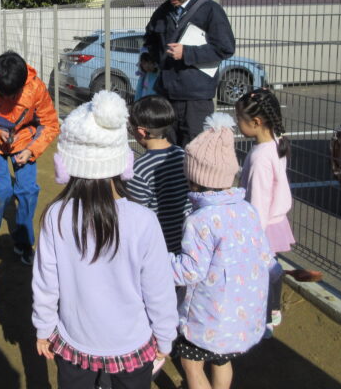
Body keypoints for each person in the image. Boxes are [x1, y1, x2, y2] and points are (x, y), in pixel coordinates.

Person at [33, 91, 178, 389]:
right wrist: (165, 336)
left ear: (67, 163)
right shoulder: (143, 220)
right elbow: (159, 289)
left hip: (76, 339)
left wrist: (44, 327)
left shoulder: (56, 215)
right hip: (131, 343)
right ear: (123, 161)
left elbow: (46, 281)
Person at [170, 112, 271, 389]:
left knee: (191, 364)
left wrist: (160, 262)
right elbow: (266, 257)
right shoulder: (247, 210)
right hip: (239, 314)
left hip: (206, 316)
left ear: (194, 177)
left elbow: (190, 271)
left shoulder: (200, 219)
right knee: (221, 360)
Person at [0, 51, 59, 265]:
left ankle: (23, 242)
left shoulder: (36, 88)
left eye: (14, 96)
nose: (9, 101)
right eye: (3, 96)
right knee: (1, 190)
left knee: (28, 191)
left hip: (24, 142)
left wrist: (32, 149)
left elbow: (50, 124)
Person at [143, 0, 235, 147]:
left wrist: (187, 52)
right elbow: (150, 39)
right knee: (167, 150)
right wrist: (148, 58)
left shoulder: (210, 10)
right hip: (166, 94)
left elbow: (225, 48)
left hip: (196, 98)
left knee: (195, 150)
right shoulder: (162, 11)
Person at [235, 87, 295, 337]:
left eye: (240, 119)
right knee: (273, 268)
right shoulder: (276, 142)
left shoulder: (260, 156)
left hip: (261, 225)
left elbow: (259, 199)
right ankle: (274, 311)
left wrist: (252, 234)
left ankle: (266, 320)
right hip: (276, 221)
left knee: (261, 272)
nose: (237, 123)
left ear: (256, 122)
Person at [126, 95, 190, 254]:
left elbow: (135, 216)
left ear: (141, 132)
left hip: (160, 247)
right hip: (188, 240)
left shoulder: (139, 170)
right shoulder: (183, 155)